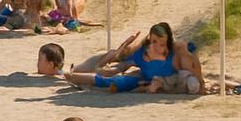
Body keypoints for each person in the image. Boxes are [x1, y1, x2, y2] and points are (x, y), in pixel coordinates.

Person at [63, 23, 196, 93]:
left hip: (156, 83)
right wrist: (124, 46)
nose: (157, 47)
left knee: (115, 83)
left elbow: (192, 69)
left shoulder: (175, 54)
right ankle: (72, 76)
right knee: (111, 81)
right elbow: (115, 65)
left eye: (162, 43)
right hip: (142, 79)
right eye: (154, 42)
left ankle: (77, 77)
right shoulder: (142, 53)